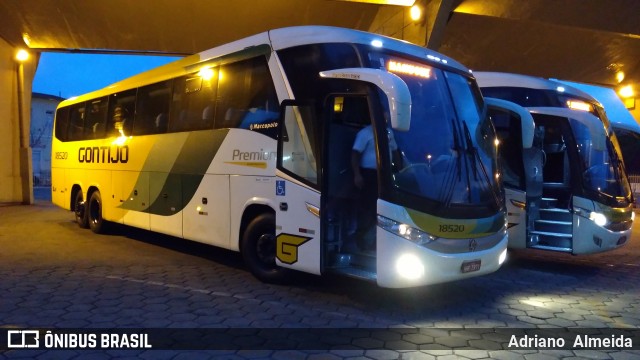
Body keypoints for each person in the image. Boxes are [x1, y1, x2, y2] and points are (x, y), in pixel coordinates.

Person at [351, 124, 397, 250]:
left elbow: (394, 151)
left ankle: (377, 242)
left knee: (382, 209)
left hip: (385, 175)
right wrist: (357, 175)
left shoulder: (389, 133)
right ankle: (362, 242)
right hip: (369, 175)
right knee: (367, 208)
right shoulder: (365, 133)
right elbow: (355, 154)